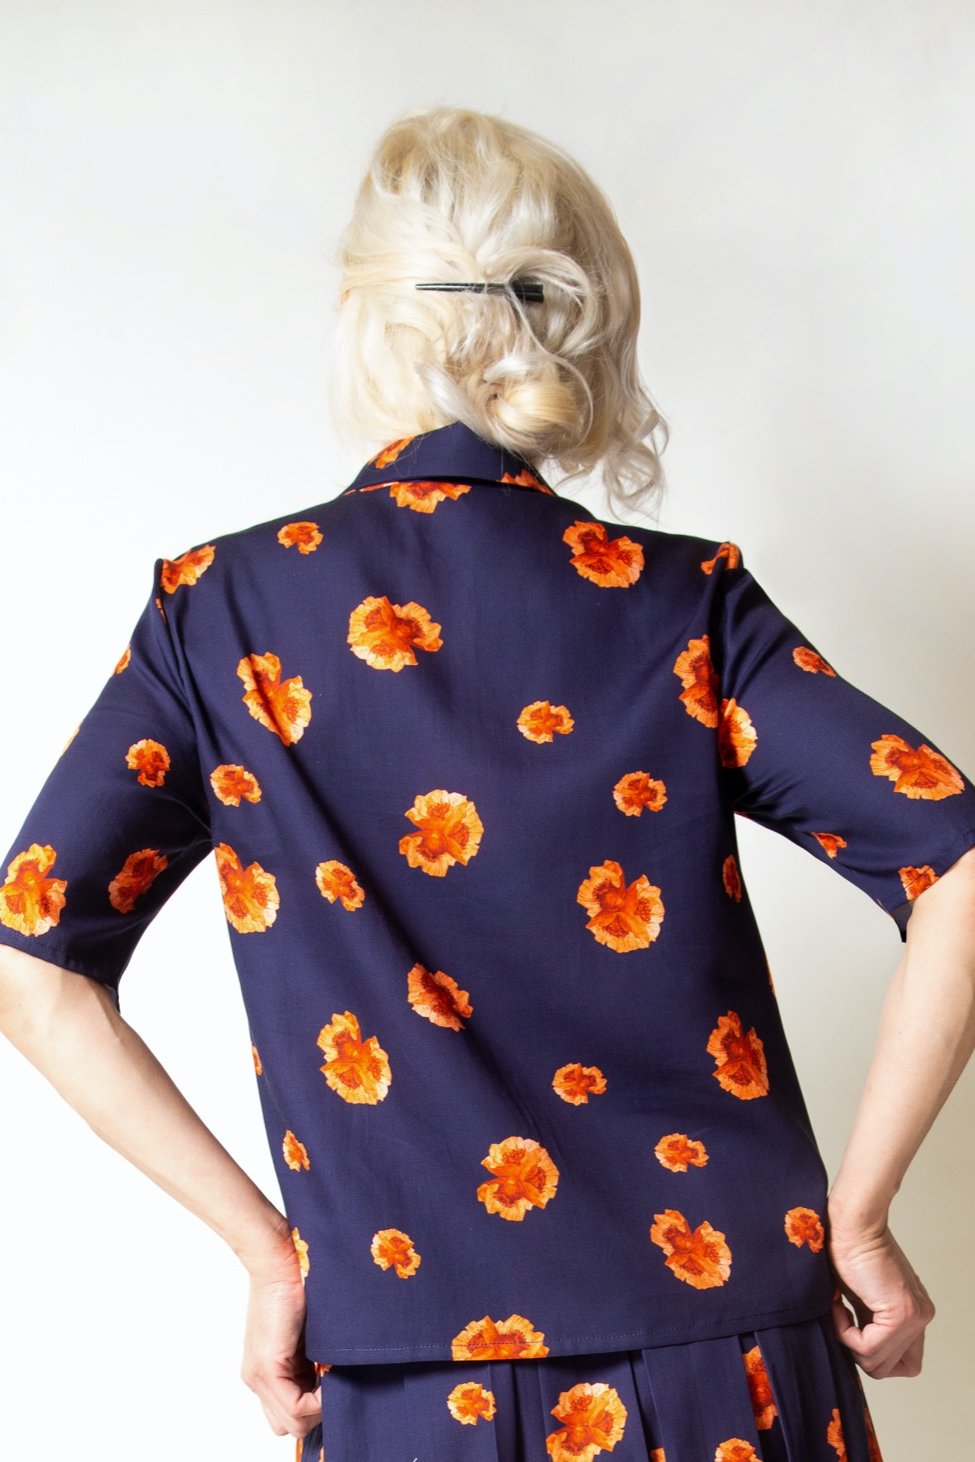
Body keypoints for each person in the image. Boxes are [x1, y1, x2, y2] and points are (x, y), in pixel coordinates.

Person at [1, 104, 974, 1462]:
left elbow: (34, 965)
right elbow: (961, 869)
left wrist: (269, 1253)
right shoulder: (683, 606)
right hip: (732, 1363)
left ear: (369, 314)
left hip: (408, 1382)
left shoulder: (219, 615)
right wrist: (856, 1218)